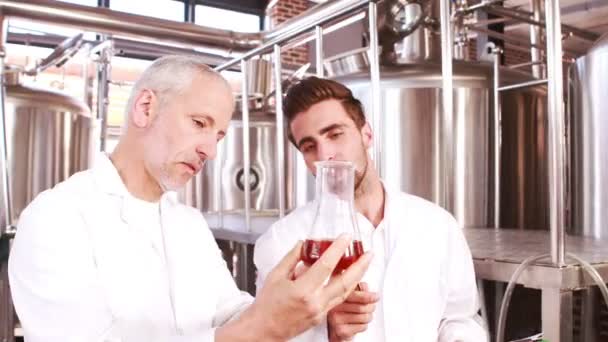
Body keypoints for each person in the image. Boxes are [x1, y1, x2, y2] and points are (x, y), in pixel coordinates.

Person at [8, 56, 372, 342]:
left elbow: (232, 317)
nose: (211, 151)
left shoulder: (188, 224)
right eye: (200, 124)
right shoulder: (57, 218)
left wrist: (312, 322)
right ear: (145, 107)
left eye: (219, 136)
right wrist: (260, 328)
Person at [254, 77, 487, 342]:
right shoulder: (281, 242)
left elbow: (460, 318)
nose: (325, 155)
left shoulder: (436, 224)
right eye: (309, 146)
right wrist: (327, 333)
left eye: (335, 134)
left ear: (367, 134)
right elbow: (268, 335)